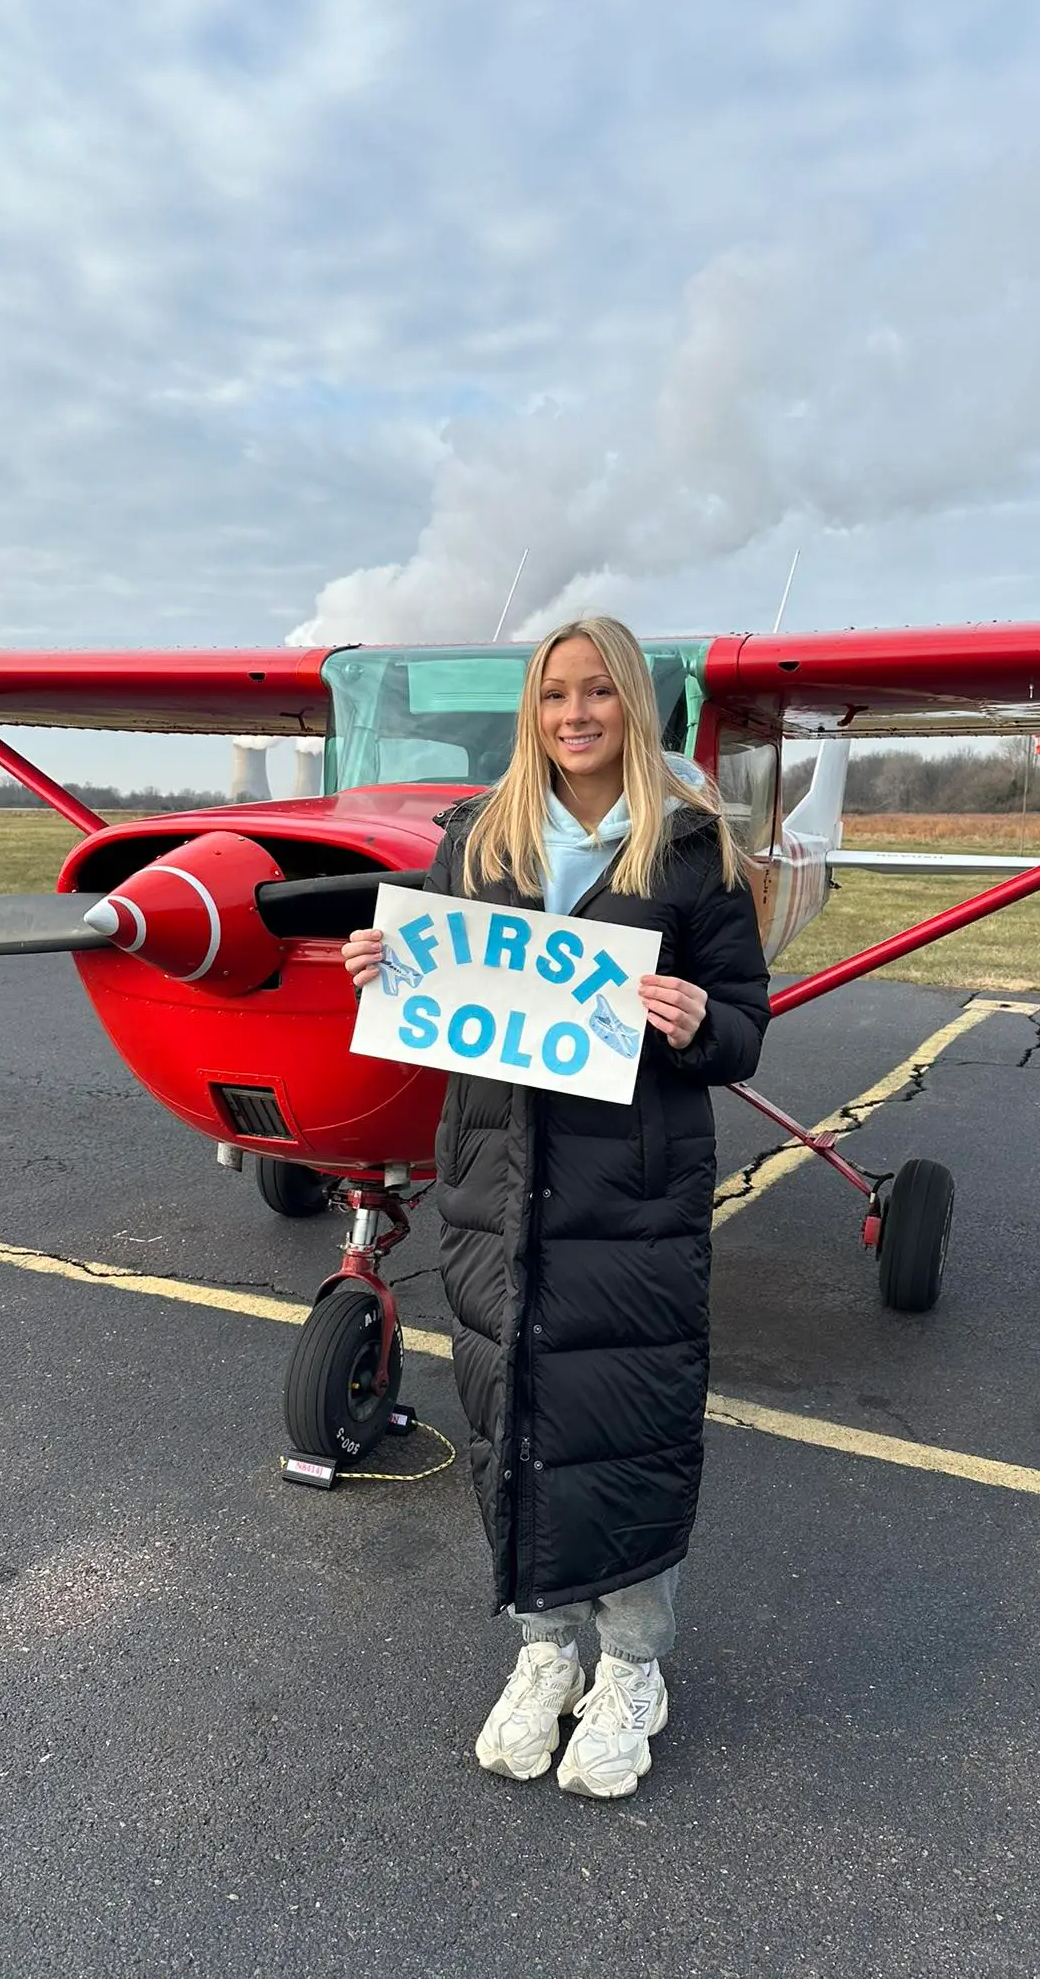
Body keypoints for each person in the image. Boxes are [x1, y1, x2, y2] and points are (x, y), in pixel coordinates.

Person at [342, 614, 769, 1799]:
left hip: (629, 1193)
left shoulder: (694, 852)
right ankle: (543, 1649)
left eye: (598, 693)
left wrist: (696, 1024)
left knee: (622, 1422)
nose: (574, 714)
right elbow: (435, 988)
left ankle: (634, 1666)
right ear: (531, 713)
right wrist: (381, 967)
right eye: (552, 696)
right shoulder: (480, 837)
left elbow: (744, 1023)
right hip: (492, 1186)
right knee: (507, 1408)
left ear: (635, 703)